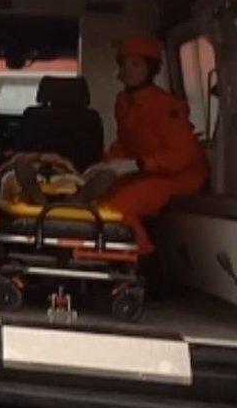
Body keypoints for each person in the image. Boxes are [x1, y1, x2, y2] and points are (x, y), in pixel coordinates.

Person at [86, 34, 208, 254]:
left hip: (179, 177)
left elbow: (182, 155)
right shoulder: (123, 102)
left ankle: (142, 261)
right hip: (149, 171)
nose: (128, 70)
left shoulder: (167, 106)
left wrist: (137, 165)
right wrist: (105, 165)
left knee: (117, 207)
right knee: (95, 200)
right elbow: (125, 143)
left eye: (136, 64)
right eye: (124, 63)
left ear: (151, 69)